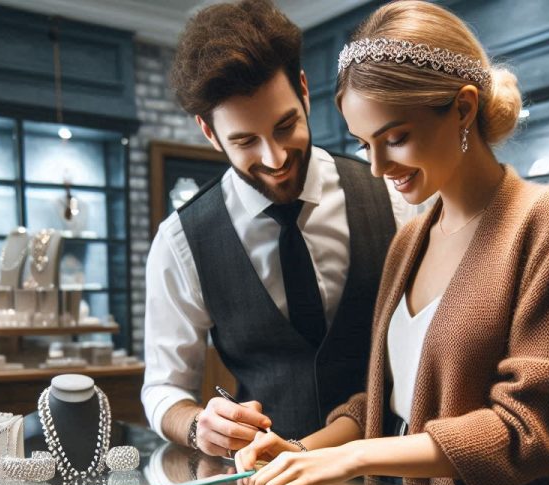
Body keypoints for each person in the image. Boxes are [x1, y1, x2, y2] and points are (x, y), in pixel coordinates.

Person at [238, 0, 549, 485]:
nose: (377, 167)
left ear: (463, 109)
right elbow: (388, 403)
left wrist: (355, 457)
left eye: (395, 138)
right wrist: (300, 450)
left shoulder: (546, 220)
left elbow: (531, 429)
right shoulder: (409, 240)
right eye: (365, 144)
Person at [141, 0, 410, 457]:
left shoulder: (392, 193)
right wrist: (198, 425)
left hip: (394, 473)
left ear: (303, 90)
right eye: (246, 141)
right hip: (266, 482)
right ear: (209, 132)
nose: (275, 158)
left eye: (285, 126)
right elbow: (163, 388)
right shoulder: (180, 242)